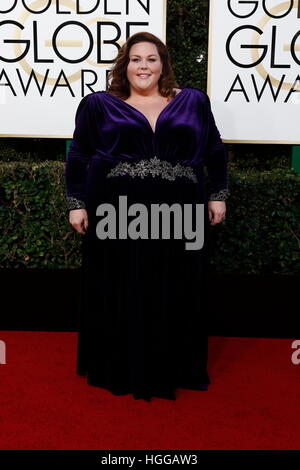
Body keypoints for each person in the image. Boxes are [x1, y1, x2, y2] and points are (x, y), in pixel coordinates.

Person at [64, 31, 229, 402]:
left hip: (180, 208)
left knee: (177, 283)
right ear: (125, 65)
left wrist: (217, 194)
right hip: (116, 209)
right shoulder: (98, 104)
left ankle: (173, 366)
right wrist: (76, 201)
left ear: (163, 65)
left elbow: (215, 147)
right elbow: (78, 153)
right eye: (136, 59)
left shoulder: (192, 102)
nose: (144, 66)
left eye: (151, 59)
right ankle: (119, 365)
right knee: (120, 282)